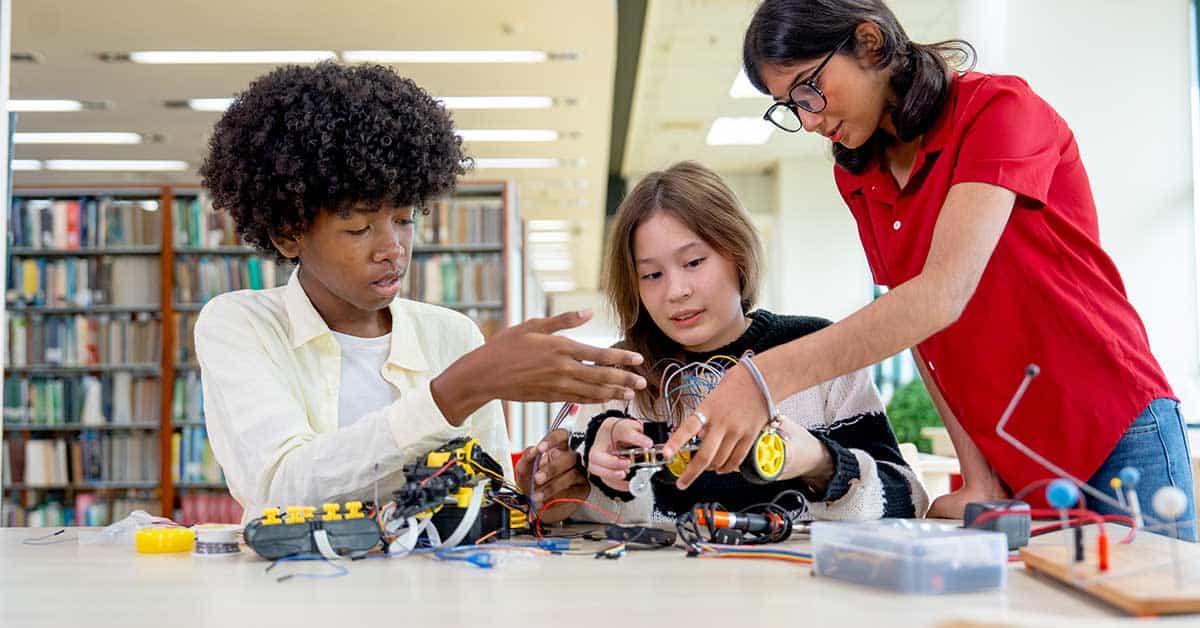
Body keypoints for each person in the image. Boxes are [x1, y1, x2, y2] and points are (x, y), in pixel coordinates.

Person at [663, 0, 1193, 538]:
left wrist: (762, 378)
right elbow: (921, 327)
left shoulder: (999, 110)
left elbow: (942, 294)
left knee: (1147, 609)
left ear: (870, 42)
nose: (809, 118)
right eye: (789, 107)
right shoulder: (859, 172)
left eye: (808, 90)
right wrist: (979, 476)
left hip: (1112, 421)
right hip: (1011, 449)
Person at [195, 62, 640, 523]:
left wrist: (526, 496)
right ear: (290, 234)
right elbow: (280, 489)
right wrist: (459, 389)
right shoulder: (240, 324)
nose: (393, 249)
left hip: (432, 591)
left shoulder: (451, 334)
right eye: (359, 227)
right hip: (293, 591)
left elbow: (483, 503)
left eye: (405, 219)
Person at [559, 161, 927, 523]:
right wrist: (573, 479)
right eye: (652, 275)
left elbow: (908, 499)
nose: (676, 291)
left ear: (737, 254)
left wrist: (820, 462)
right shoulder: (619, 374)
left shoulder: (818, 350)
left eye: (694, 262)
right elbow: (577, 509)